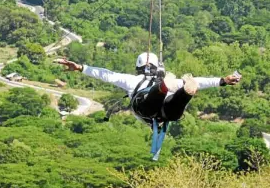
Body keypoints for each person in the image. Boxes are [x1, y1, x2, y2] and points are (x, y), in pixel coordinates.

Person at [54, 52, 241, 124]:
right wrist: (222, 80)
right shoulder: (135, 80)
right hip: (168, 113)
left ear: (138, 68)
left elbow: (105, 74)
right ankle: (181, 92)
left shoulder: (131, 80)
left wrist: (80, 67)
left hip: (146, 109)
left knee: (155, 100)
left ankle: (164, 89)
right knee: (180, 96)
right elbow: (199, 81)